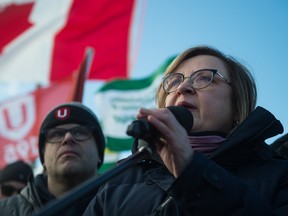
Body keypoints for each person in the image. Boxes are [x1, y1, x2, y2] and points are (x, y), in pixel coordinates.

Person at [84, 45, 288, 216]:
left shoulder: (279, 175)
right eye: (174, 81)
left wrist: (192, 173)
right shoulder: (117, 181)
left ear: (237, 106)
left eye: (204, 78)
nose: (183, 87)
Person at [0, 102, 105, 215]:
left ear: (99, 152)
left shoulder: (123, 206)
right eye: (56, 134)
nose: (68, 138)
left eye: (80, 132)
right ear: (43, 158)